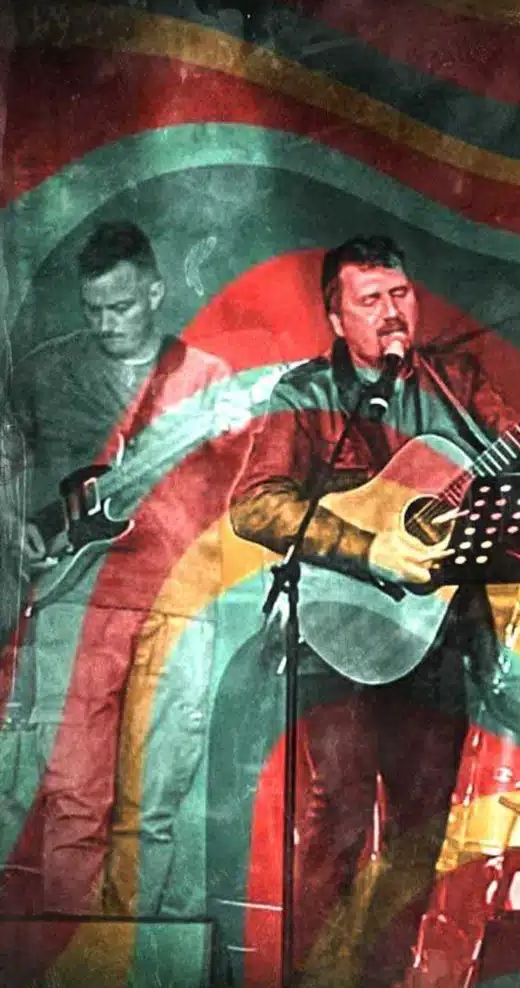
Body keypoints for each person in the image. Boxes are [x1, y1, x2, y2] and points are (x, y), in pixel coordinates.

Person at [228, 233, 520, 987]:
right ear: (338, 319)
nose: (392, 312)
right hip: (334, 637)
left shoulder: (455, 382)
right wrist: (369, 549)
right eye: (371, 300)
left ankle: (382, 978)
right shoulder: (305, 395)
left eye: (400, 294)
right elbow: (256, 504)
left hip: (437, 637)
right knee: (337, 816)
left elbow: (515, 483)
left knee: (419, 833)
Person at [1, 221, 247, 918]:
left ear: (157, 292)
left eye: (123, 306)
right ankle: (76, 956)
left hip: (175, 603)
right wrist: (12, 524)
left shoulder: (206, 378)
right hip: (72, 601)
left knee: (154, 802)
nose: (107, 323)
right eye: (94, 309)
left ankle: (132, 954)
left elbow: (242, 490)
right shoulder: (45, 370)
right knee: (74, 795)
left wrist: (235, 435)